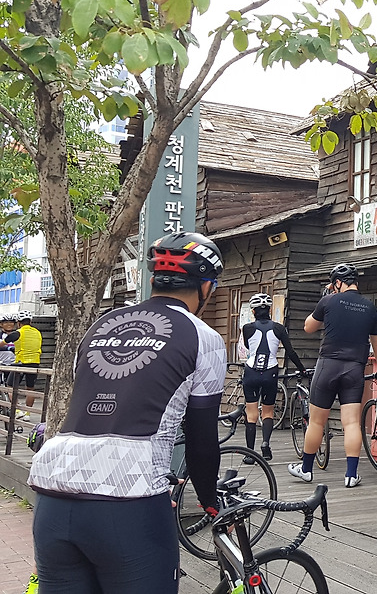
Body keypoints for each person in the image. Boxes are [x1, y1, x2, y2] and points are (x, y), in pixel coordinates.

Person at [28, 232, 226, 593]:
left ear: (154, 280)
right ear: (206, 287)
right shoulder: (204, 338)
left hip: (54, 492)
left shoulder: (100, 327)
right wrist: (210, 502)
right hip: (129, 498)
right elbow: (202, 440)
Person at [292, 264, 377, 488]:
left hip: (328, 365)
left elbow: (308, 327)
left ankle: (306, 469)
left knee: (316, 421)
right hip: (354, 368)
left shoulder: (328, 301)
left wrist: (325, 299)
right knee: (352, 423)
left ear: (337, 283)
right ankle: (351, 475)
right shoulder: (369, 307)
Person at [240, 293, 307, 462]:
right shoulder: (279, 328)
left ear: (253, 311)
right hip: (270, 371)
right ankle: (265, 444)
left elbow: (248, 346)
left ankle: (250, 454)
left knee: (251, 414)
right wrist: (302, 369)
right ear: (270, 310)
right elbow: (290, 351)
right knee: (268, 411)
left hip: (251, 371)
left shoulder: (247, 328)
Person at [14, 310, 42, 414]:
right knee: (30, 388)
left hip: (21, 362)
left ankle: (17, 411)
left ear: (18, 323)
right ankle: (28, 414)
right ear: (30, 322)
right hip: (35, 363)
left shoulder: (18, 332)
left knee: (11, 387)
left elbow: (5, 342)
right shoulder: (37, 332)